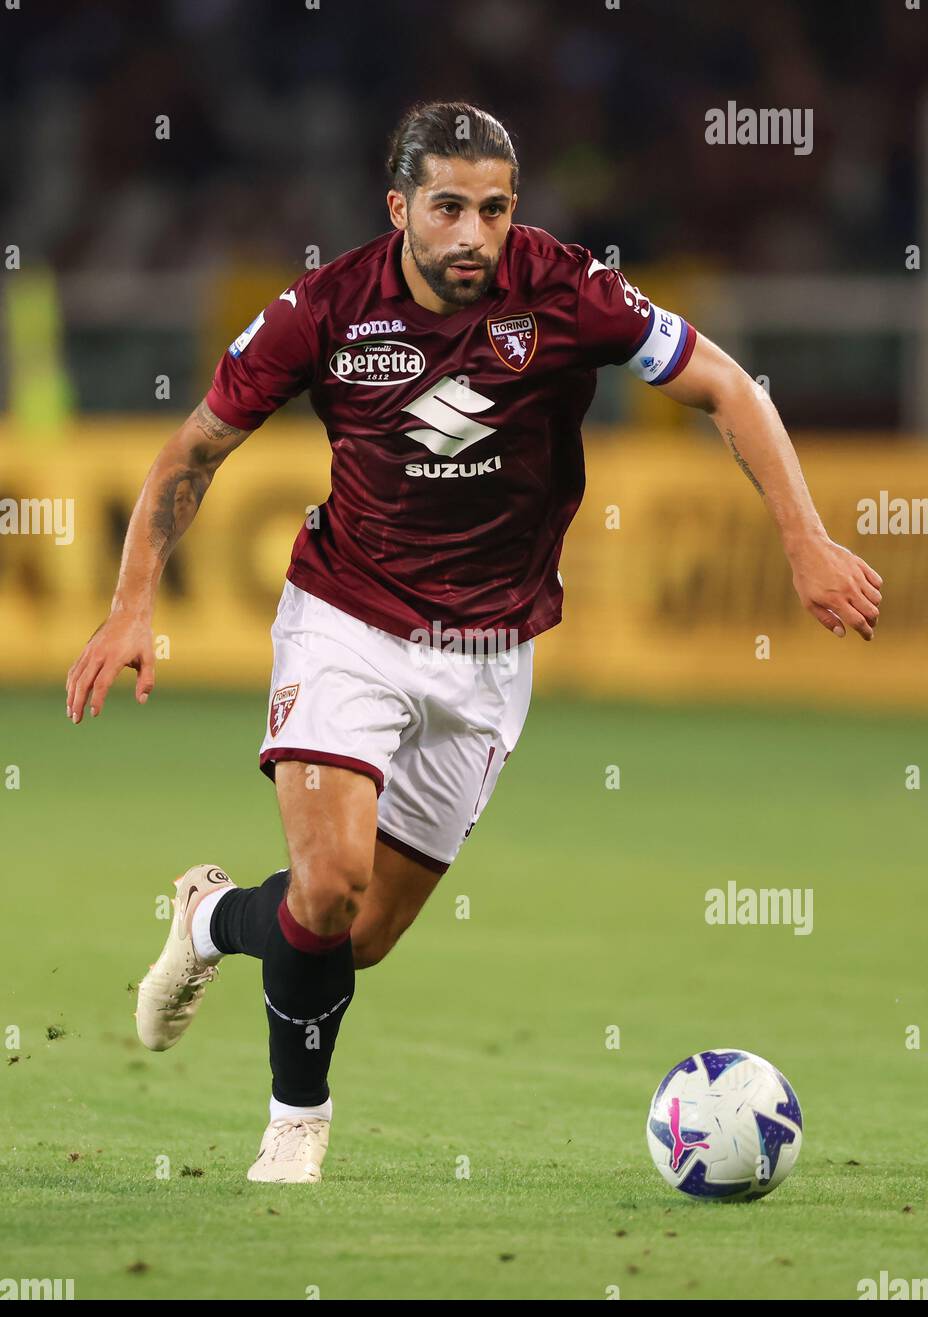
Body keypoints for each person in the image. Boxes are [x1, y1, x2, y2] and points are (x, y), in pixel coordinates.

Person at [65, 100, 883, 1184]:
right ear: (398, 206)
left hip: (492, 653)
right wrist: (131, 602)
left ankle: (210, 917)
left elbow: (726, 388)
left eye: (494, 209)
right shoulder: (322, 310)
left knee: (354, 936)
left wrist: (807, 539)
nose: (473, 235)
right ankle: (292, 1128)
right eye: (448, 207)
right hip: (346, 618)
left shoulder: (567, 290)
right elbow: (194, 450)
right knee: (328, 882)